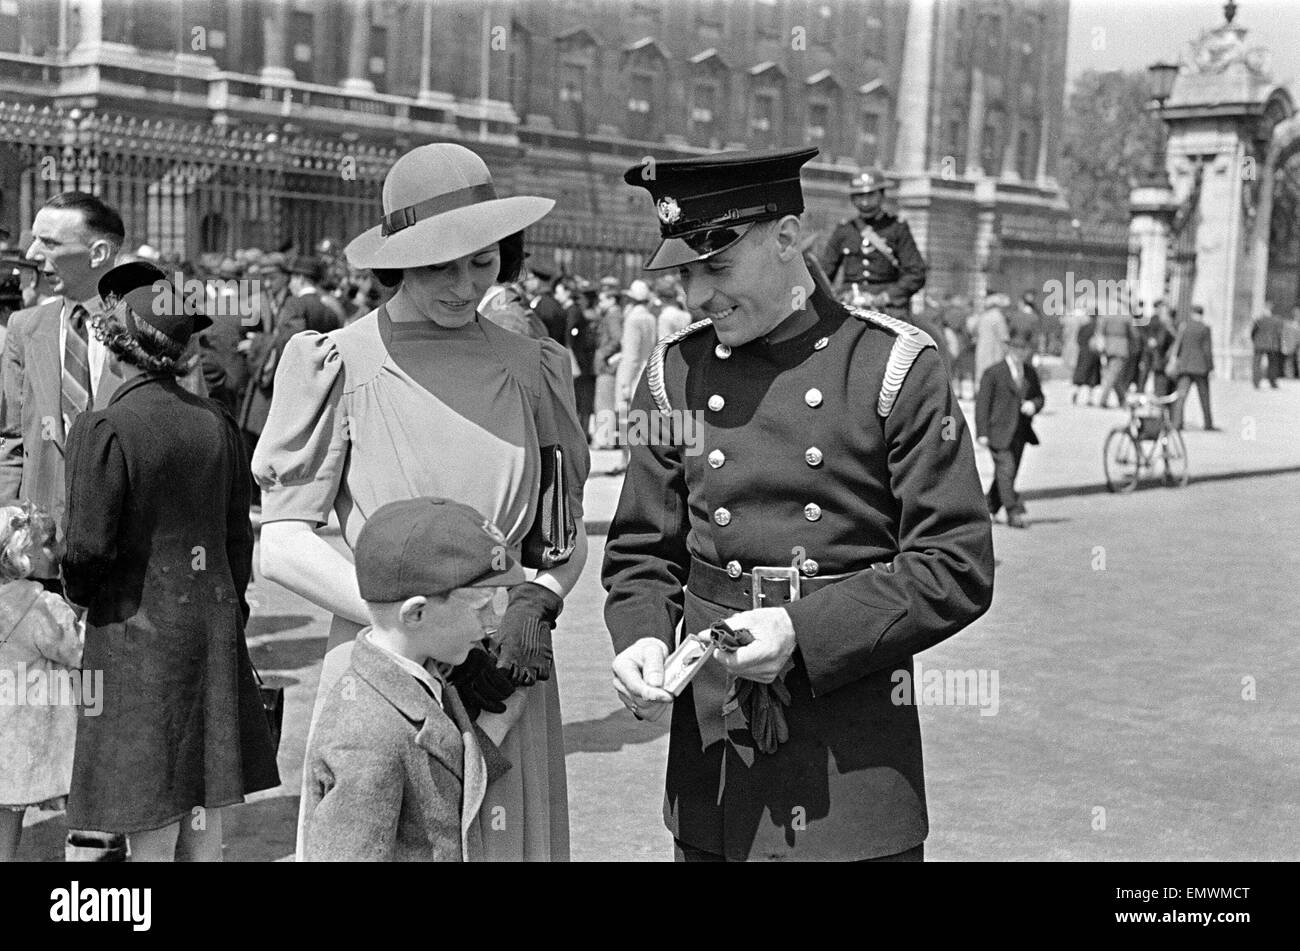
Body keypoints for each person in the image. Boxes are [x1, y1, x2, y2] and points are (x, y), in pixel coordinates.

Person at [603, 146, 994, 862]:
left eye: (716, 267)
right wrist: (641, 635)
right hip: (715, 765)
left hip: (852, 760)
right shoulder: (670, 377)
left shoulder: (895, 369)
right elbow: (640, 553)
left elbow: (955, 564)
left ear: (788, 238)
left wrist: (801, 630)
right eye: (686, 272)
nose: (697, 297)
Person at [253, 143, 590, 862]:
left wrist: (536, 603)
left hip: (505, 673)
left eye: (482, 261)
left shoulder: (533, 366)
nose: (464, 285)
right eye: (439, 264)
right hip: (387, 675)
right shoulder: (336, 363)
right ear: (395, 257)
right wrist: (416, 625)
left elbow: (561, 541)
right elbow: (280, 540)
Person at [62, 261, 279, 861]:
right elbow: (238, 548)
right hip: (211, 632)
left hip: (133, 636)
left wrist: (78, 599)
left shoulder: (104, 426)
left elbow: (85, 551)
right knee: (205, 802)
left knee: (147, 812)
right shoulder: (217, 423)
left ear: (112, 346)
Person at [301, 497, 523, 862]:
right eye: (481, 606)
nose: (493, 622)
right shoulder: (365, 735)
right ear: (416, 613)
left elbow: (437, 780)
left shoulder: (422, 676)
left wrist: (494, 727)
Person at [1, 192, 128, 537]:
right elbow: (11, 438)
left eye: (50, 243)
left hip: (124, 542)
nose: (31, 254)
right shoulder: (25, 328)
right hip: (41, 541)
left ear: (99, 253)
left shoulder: (151, 330)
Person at [0, 501, 82, 862]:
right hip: (17, 737)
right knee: (7, 816)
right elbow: (76, 652)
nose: (58, 550)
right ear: (23, 554)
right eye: (48, 543)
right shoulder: (43, 608)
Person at [818, 167, 927, 319]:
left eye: (870, 194)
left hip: (887, 307)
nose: (864, 201)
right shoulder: (844, 230)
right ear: (852, 198)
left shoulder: (897, 228)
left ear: (881, 195)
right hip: (849, 302)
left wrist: (887, 296)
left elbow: (916, 272)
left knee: (904, 340)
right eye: (859, 195)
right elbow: (824, 272)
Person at [976, 326, 1044, 529]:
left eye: (1023, 349)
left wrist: (1034, 405)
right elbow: (982, 404)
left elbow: (1039, 396)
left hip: (1020, 433)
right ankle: (1013, 512)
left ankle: (988, 507)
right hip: (997, 431)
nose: (1019, 353)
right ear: (1009, 349)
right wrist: (982, 432)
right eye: (1016, 349)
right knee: (1006, 469)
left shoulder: (1030, 373)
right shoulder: (994, 373)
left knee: (1007, 474)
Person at [1169, 305, 1217, 431]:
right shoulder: (1204, 328)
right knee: (1205, 397)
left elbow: (1178, 347)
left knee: (1181, 396)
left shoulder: (1184, 327)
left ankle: (1176, 423)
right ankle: (1208, 423)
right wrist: (1211, 368)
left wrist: (1177, 361)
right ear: (1202, 314)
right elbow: (1207, 350)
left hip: (1185, 366)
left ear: (1192, 313)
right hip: (1200, 367)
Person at [591, 277, 624, 450]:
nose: (599, 302)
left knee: (603, 403)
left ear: (612, 300)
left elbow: (617, 338)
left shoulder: (612, 315)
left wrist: (602, 353)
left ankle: (603, 439)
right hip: (609, 365)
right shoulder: (615, 314)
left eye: (603, 299)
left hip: (607, 366)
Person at [968, 291, 1010, 390]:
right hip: (995, 351)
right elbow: (1004, 338)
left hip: (981, 349)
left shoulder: (983, 316)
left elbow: (972, 330)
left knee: (981, 373)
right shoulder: (998, 317)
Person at [1072, 309, 1103, 405]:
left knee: (1081, 375)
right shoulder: (1098, 328)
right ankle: (1090, 398)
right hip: (1094, 354)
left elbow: (1078, 340)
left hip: (1083, 354)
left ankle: (1076, 393)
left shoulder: (1084, 326)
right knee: (1093, 377)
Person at [1250, 304, 1283, 389]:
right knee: (1273, 363)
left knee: (1257, 363)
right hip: (1272, 344)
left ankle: (1256, 382)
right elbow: (1279, 333)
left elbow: (1253, 332)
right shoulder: (1277, 320)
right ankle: (1272, 382)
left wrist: (1254, 340)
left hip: (1259, 344)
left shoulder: (1259, 320)